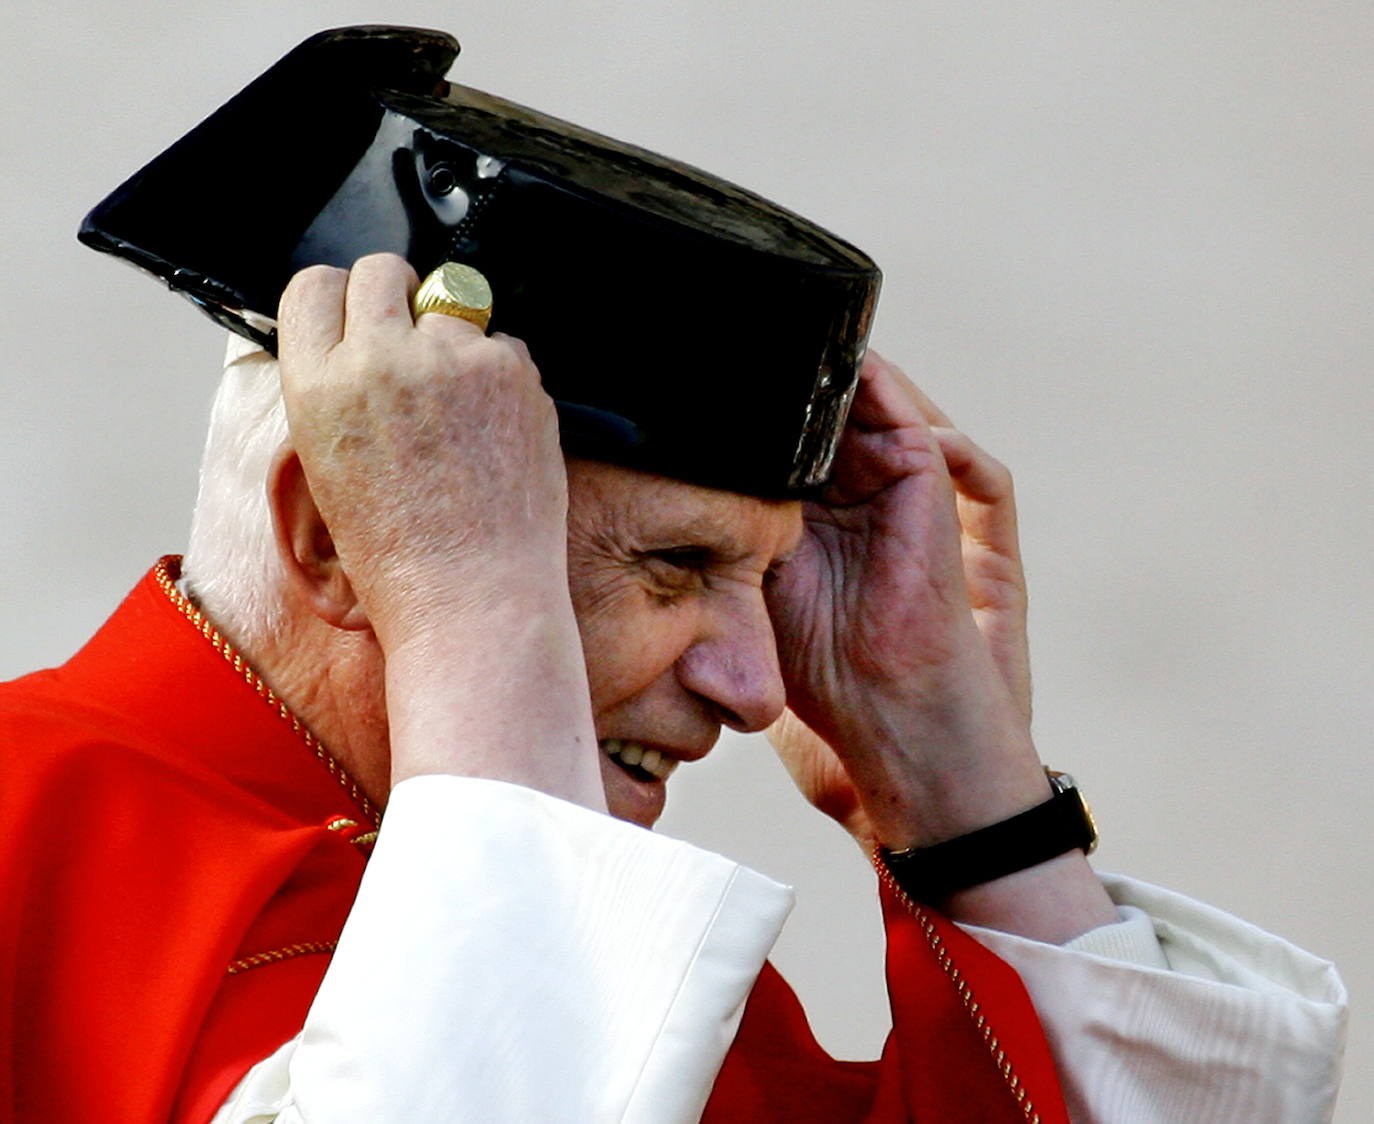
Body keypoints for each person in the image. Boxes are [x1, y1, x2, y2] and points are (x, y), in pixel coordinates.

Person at [0, 26, 1346, 1124]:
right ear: (339, 536)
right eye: (674, 566)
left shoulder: (573, 940)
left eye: (760, 582)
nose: (758, 691)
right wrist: (479, 621)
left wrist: (956, 778)